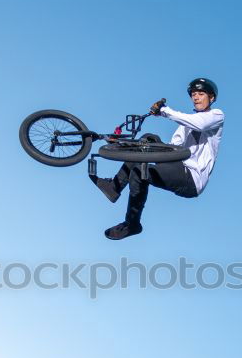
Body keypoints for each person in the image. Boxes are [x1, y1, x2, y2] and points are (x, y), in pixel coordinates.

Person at [91, 77, 225, 240]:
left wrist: (164, 111)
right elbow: (169, 149)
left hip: (192, 179)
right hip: (177, 166)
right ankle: (114, 186)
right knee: (148, 139)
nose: (196, 97)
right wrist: (124, 145)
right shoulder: (184, 126)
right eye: (193, 94)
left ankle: (132, 224)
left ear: (211, 98)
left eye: (201, 94)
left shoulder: (216, 115)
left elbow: (200, 124)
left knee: (139, 173)